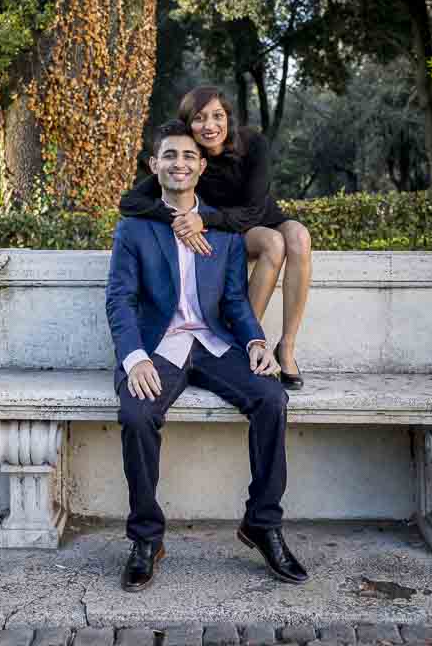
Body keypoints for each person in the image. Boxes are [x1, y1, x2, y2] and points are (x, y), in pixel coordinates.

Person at [106, 118, 309, 593]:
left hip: (214, 343)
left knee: (272, 398)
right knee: (136, 414)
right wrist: (134, 357)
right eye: (170, 156)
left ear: (201, 167)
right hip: (159, 347)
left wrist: (258, 342)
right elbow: (119, 299)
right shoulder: (134, 229)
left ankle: (262, 523)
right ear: (154, 166)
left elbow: (236, 302)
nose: (180, 163)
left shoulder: (222, 230)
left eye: (189, 157)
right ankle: (145, 538)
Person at [120, 85, 311, 389]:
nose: (210, 126)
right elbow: (130, 203)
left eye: (217, 116)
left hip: (258, 217)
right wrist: (180, 219)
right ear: (188, 124)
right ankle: (246, 336)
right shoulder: (189, 160)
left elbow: (252, 209)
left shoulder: (253, 144)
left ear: (228, 117)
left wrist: (202, 218)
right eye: (199, 118)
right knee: (273, 244)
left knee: (298, 236)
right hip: (232, 233)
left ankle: (286, 347)